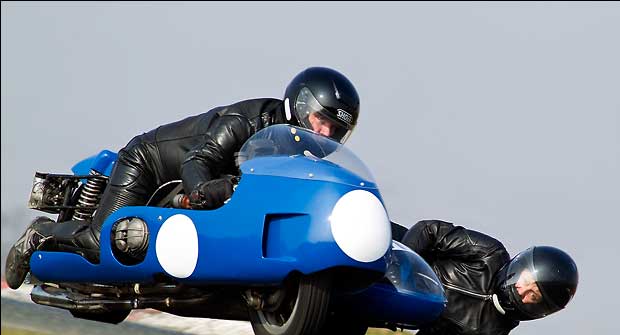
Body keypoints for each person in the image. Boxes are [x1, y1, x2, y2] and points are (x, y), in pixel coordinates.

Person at [5, 66, 360, 289]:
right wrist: (203, 189)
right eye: (321, 120)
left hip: (198, 189)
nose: (325, 132)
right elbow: (198, 159)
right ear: (300, 106)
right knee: (103, 243)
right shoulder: (248, 121)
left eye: (336, 128)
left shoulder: (301, 158)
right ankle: (40, 234)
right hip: (151, 164)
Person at [399, 220, 578, 335]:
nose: (520, 289)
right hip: (395, 252)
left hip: (394, 308)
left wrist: (438, 328)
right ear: (520, 265)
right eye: (526, 279)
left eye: (533, 295)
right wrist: (403, 269)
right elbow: (429, 230)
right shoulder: (490, 253)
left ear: (539, 309)